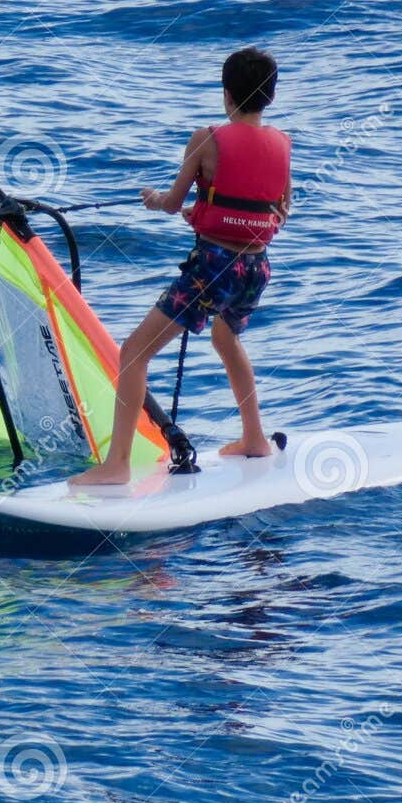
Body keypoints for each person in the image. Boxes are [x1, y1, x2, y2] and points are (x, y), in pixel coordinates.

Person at [70, 47, 292, 486]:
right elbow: (279, 211)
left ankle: (117, 466)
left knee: (132, 353)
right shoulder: (283, 144)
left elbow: (171, 203)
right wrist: (215, 215)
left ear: (227, 95)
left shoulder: (206, 138)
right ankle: (254, 438)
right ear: (270, 97)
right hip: (256, 269)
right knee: (226, 338)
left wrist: (159, 201)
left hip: (212, 267)